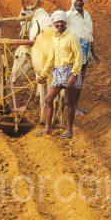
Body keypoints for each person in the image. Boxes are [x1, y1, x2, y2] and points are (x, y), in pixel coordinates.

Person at [36, 10, 82, 138]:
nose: (60, 24)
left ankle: (69, 130)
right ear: (54, 23)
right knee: (48, 99)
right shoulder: (55, 38)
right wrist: (44, 73)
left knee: (69, 102)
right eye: (57, 22)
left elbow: (79, 57)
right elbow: (51, 57)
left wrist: (74, 75)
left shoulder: (72, 37)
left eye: (62, 21)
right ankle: (47, 129)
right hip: (57, 72)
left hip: (69, 71)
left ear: (66, 22)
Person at [66, 0, 99, 116]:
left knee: (81, 78)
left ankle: (74, 105)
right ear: (73, 1)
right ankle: (71, 106)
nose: (79, 2)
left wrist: (94, 53)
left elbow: (89, 35)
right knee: (74, 77)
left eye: (81, 0)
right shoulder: (68, 15)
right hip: (74, 49)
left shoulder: (87, 15)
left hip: (86, 48)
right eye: (77, 0)